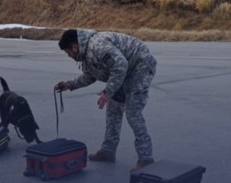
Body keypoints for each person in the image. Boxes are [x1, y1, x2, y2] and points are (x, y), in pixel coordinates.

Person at [54, 29, 157, 172]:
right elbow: (89, 76)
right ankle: (108, 151)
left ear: (74, 47)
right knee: (113, 110)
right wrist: (69, 85)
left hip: (140, 66)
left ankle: (146, 158)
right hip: (124, 72)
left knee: (133, 112)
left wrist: (107, 92)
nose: (69, 55)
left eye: (68, 52)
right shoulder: (86, 54)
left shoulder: (98, 46)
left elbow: (120, 65)